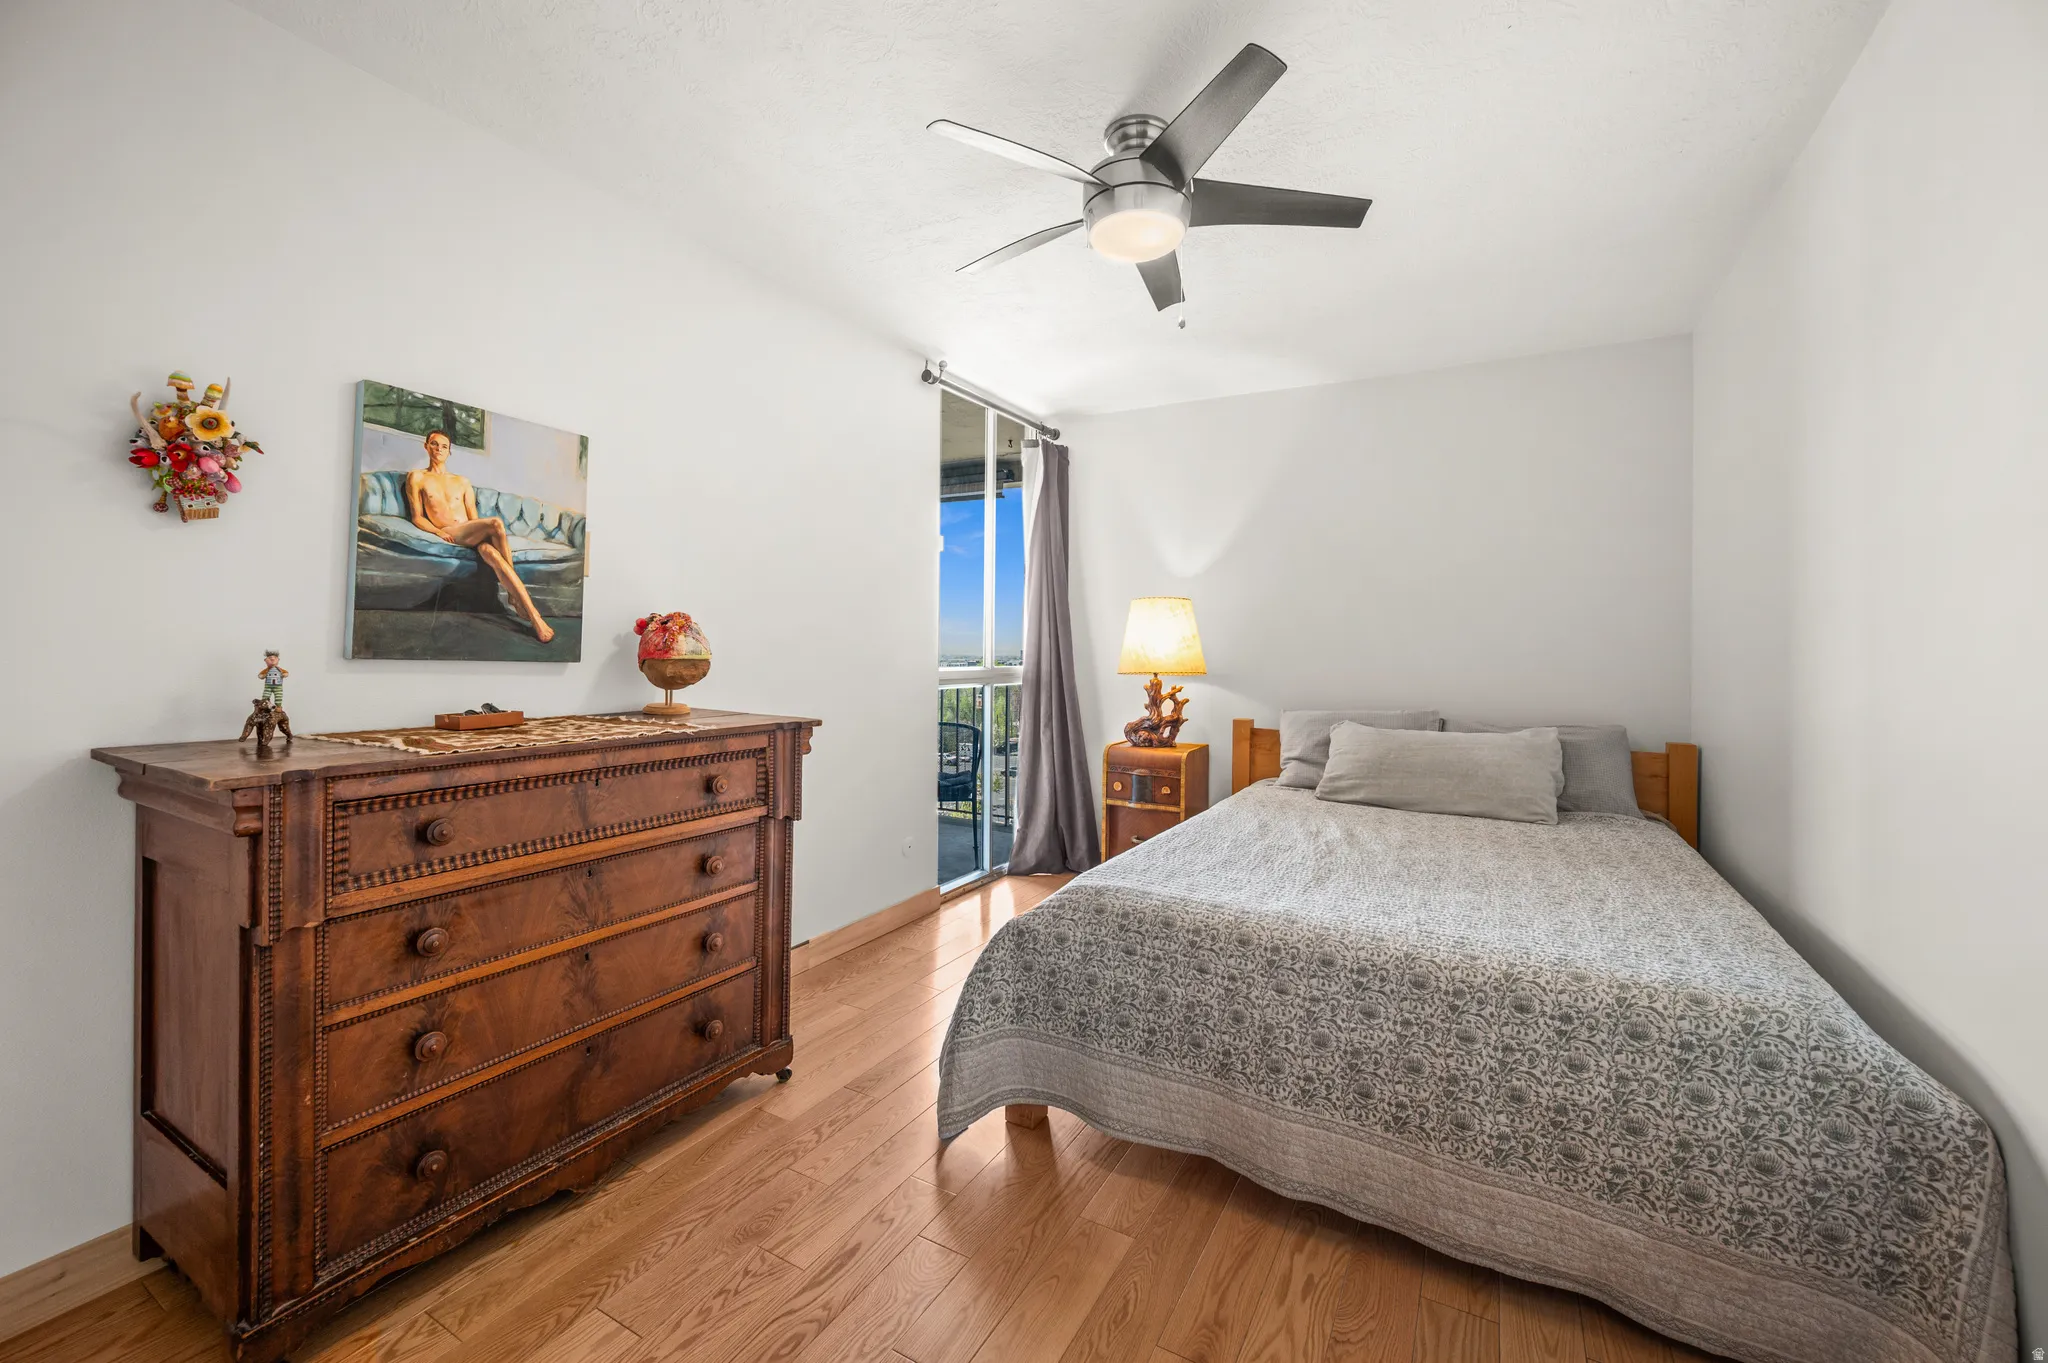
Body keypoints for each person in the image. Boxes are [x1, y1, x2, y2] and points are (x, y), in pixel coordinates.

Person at [402, 429, 555, 643]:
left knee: (492, 554)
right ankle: (514, 597)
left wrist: (480, 537)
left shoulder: (462, 482)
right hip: (449, 532)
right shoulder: (417, 477)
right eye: (434, 444)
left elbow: (473, 518)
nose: (439, 449)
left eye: (444, 446)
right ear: (426, 446)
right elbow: (417, 517)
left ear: (449, 452)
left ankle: (535, 618)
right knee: (495, 523)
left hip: (469, 531)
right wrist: (438, 531)